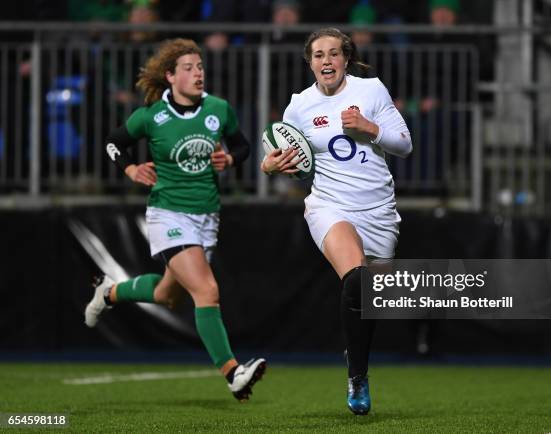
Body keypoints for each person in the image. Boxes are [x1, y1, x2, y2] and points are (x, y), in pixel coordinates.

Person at [84, 38, 266, 402]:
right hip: (168, 211)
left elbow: (243, 145)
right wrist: (132, 167)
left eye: (200, 67)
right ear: (170, 76)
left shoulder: (218, 109)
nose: (198, 73)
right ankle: (233, 373)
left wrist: (230, 159)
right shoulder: (151, 116)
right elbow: (112, 143)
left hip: (207, 217)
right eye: (189, 68)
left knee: (170, 296)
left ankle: (109, 292)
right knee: (207, 290)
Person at [261, 28, 412, 415]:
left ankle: (356, 356)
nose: (326, 61)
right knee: (356, 279)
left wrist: (370, 129)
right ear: (309, 62)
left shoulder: (371, 90)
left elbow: (405, 144)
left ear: (346, 58)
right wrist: (270, 165)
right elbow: (285, 157)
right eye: (318, 55)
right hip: (331, 205)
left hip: (379, 210)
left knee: (369, 301)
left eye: (333, 53)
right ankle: (358, 377)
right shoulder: (300, 106)